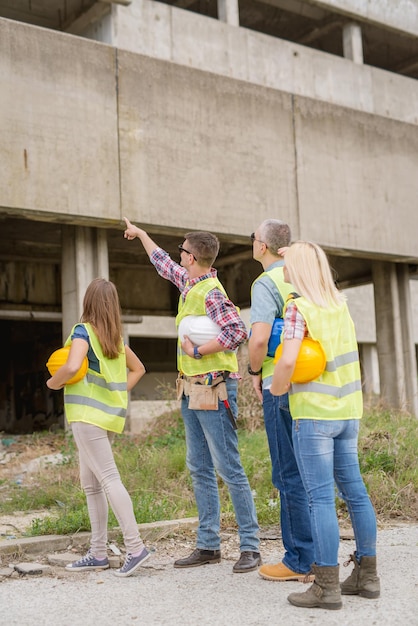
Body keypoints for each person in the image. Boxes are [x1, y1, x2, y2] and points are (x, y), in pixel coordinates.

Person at [123, 217, 261, 573]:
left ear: (192, 257)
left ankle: (250, 547)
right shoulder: (189, 281)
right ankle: (208, 545)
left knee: (228, 467)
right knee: (199, 467)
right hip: (191, 388)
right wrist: (141, 235)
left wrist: (199, 352)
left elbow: (236, 331)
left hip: (213, 388)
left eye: (181, 250)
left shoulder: (211, 292)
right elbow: (161, 262)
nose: (177, 255)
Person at [271, 241, 380, 610]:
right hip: (348, 413)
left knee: (319, 498)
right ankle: (368, 575)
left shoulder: (297, 308)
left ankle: (326, 586)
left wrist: (275, 388)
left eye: (288, 264)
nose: (283, 269)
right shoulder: (340, 306)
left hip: (315, 416)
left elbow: (287, 362)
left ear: (298, 270)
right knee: (355, 492)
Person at [46, 278, 150, 578]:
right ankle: (98, 552)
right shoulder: (114, 338)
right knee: (91, 484)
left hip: (86, 416)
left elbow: (70, 365)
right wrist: (116, 395)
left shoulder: (83, 331)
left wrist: (53, 383)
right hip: (107, 418)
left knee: (107, 479)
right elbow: (139, 369)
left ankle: (135, 548)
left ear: (88, 303)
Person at [247, 219, 315, 581]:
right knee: (311, 472)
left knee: (287, 473)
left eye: (252, 238)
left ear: (262, 246)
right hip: (310, 386)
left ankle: (299, 560)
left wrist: (254, 372)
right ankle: (319, 555)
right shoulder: (304, 276)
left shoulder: (265, 283)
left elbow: (258, 341)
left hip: (279, 383)